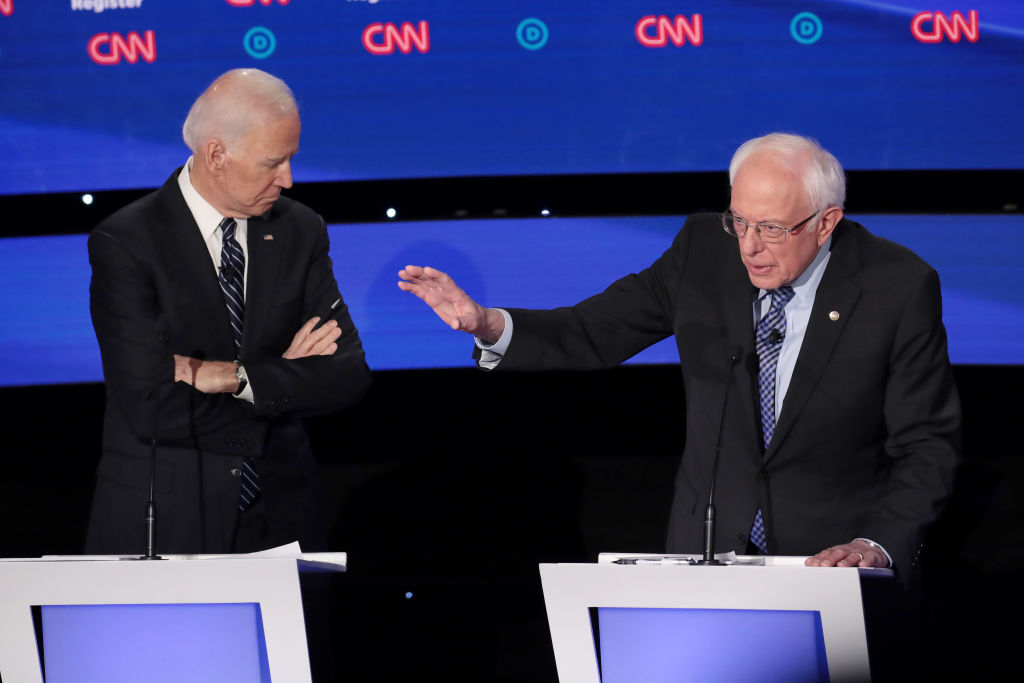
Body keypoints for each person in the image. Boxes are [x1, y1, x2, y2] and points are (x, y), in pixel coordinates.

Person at [398, 133, 961, 577]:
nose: (748, 246)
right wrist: (488, 323)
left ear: (826, 222)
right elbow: (595, 330)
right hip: (707, 557)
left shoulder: (897, 286)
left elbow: (926, 444)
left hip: (834, 566)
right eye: (738, 221)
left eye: (770, 228)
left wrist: (877, 544)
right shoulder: (703, 251)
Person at [86, 69, 371, 555]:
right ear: (217, 155)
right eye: (273, 162)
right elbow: (150, 405)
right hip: (167, 522)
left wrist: (237, 378)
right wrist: (282, 381)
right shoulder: (128, 242)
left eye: (291, 160)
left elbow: (347, 375)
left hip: (283, 519)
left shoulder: (300, 230)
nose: (288, 178)